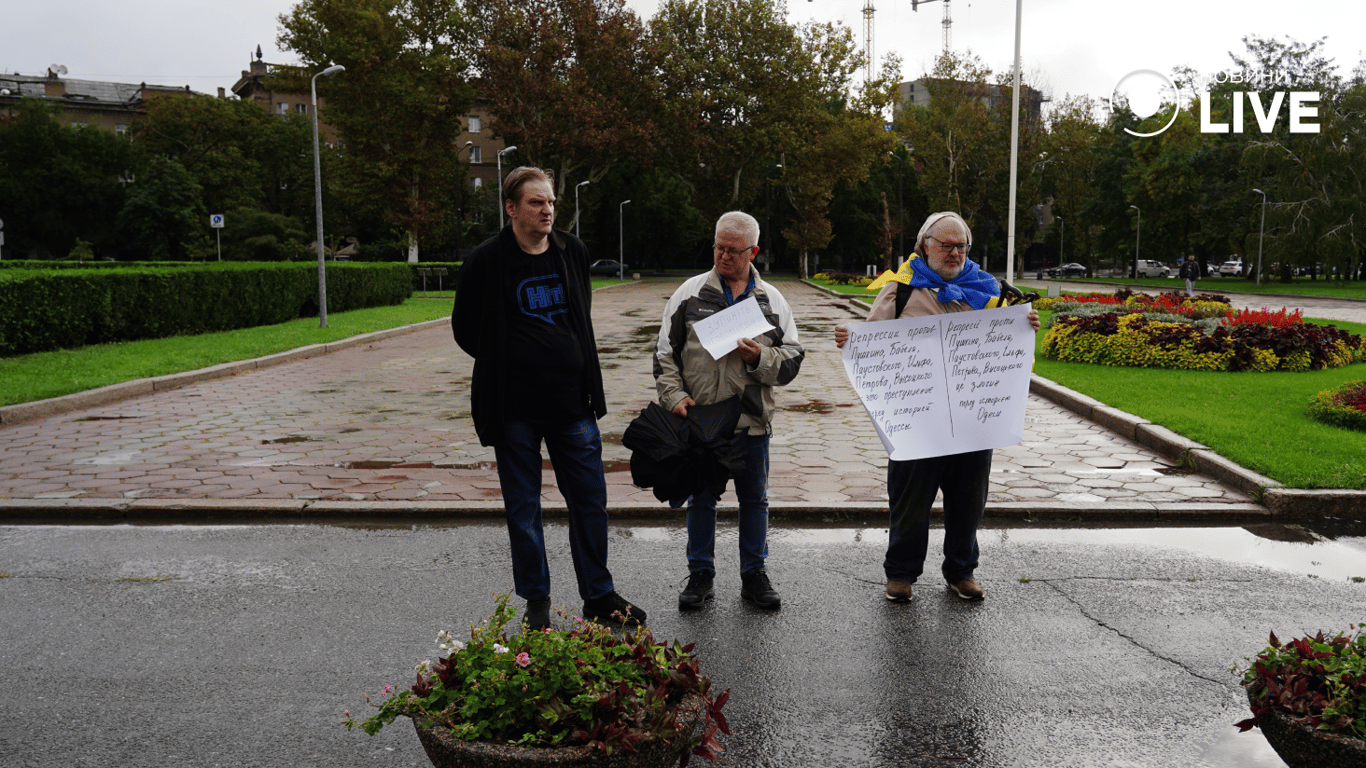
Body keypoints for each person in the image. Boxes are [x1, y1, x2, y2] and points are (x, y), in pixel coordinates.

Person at [452, 167, 645, 630]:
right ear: (512, 208)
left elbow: (580, 314)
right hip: (513, 408)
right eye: (537, 203)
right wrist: (507, 359)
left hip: (572, 405)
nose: (548, 210)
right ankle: (537, 600)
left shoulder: (570, 250)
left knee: (590, 500)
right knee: (524, 506)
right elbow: (465, 328)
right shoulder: (487, 260)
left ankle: (598, 594)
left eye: (552, 202)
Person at [834, 212, 1039, 603]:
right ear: (924, 246)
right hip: (917, 421)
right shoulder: (902, 291)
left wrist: (1023, 326)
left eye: (961, 245)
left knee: (968, 502)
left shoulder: (990, 290)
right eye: (946, 245)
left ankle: (961, 572)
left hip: (973, 420)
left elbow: (1011, 356)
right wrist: (850, 340)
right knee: (910, 502)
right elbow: (870, 349)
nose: (954, 252)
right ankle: (901, 574)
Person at [654, 211, 805, 611]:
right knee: (701, 499)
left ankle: (754, 575)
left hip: (751, 422)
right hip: (701, 422)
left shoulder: (771, 301)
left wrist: (760, 359)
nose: (723, 256)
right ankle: (700, 574)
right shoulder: (689, 294)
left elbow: (792, 359)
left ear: (753, 251)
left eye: (733, 250)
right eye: (718, 247)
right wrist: (674, 397)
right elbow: (664, 354)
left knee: (754, 500)